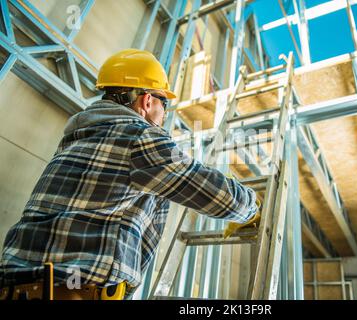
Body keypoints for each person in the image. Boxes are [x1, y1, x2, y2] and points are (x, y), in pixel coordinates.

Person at [0, 49, 258, 300]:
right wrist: (252, 206)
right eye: (163, 104)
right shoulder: (139, 136)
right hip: (73, 291)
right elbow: (215, 193)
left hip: (13, 285)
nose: (163, 115)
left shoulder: (76, 137)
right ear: (147, 100)